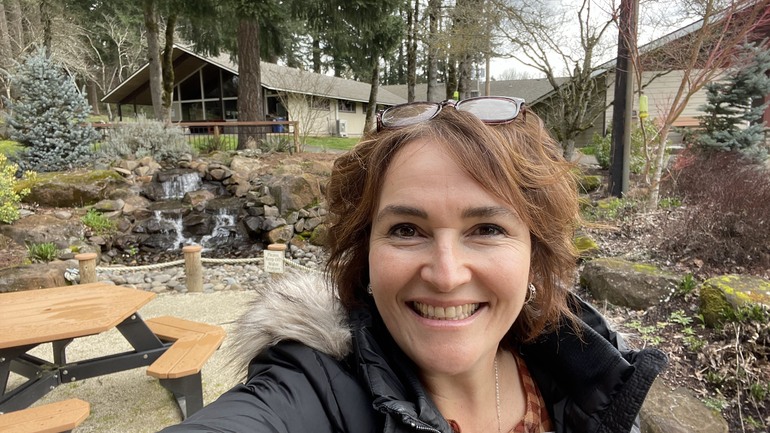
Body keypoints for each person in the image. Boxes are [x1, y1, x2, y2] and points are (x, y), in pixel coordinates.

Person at [159, 96, 667, 433]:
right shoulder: (313, 388)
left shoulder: (593, 373)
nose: (446, 275)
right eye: (406, 230)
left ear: (535, 253)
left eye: (487, 229)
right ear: (365, 251)